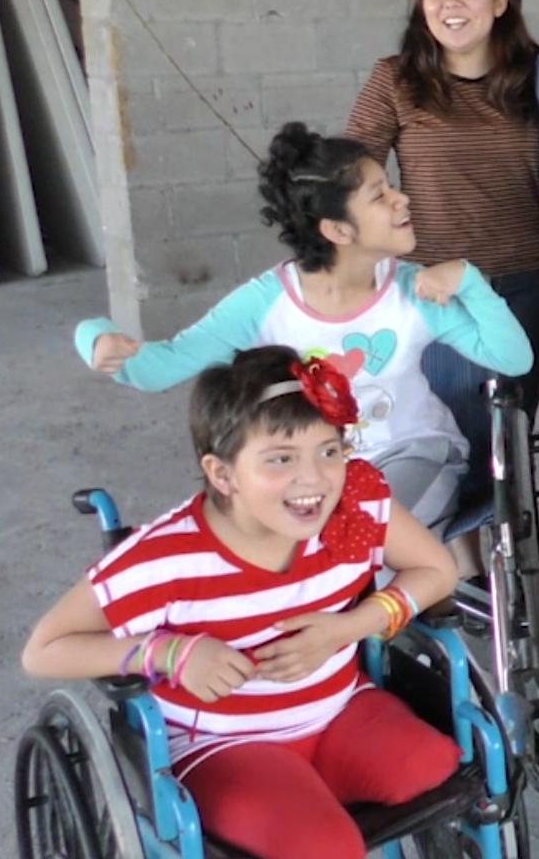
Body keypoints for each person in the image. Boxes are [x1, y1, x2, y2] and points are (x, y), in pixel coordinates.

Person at [23, 346, 462, 859]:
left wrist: (349, 628)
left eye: (329, 450)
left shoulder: (357, 500)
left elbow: (438, 569)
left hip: (338, 709)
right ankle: (296, 812)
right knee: (324, 847)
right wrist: (168, 654)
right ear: (223, 474)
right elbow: (43, 650)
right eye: (281, 458)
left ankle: (303, 799)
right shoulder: (166, 560)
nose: (314, 479)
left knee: (434, 763)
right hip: (223, 743)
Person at [77, 125, 535, 538]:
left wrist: (469, 281)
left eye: (391, 188)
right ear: (337, 229)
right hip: (312, 471)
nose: (403, 200)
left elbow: (514, 359)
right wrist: (95, 338)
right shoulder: (265, 304)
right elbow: (157, 369)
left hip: (414, 451)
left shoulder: (415, 290)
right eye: (380, 196)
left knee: (355, 534)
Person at [346, 0, 539, 510]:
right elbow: (349, 170)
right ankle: (448, 572)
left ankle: (502, 577)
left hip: (527, 282)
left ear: (500, 2)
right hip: (438, 290)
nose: (450, 2)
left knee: (506, 438)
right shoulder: (396, 79)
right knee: (452, 439)